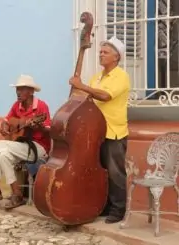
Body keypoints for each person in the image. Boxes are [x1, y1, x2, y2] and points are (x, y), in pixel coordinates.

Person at [69, 36, 130, 224]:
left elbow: (105, 96)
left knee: (115, 173)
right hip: (95, 132)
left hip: (114, 132)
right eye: (100, 52)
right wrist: (76, 90)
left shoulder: (121, 76)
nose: (101, 55)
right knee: (100, 171)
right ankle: (103, 206)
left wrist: (83, 86)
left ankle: (118, 210)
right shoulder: (97, 77)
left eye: (105, 52)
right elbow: (87, 97)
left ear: (116, 57)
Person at [0, 74, 51, 209]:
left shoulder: (41, 106)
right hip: (20, 146)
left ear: (31, 91)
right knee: (4, 155)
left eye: (22, 89)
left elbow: (48, 129)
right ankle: (17, 194)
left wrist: (38, 126)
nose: (18, 92)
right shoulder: (17, 105)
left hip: (38, 148)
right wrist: (5, 128)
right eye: (17, 89)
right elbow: (6, 121)